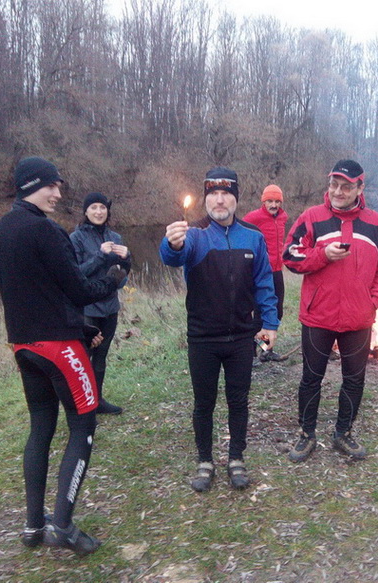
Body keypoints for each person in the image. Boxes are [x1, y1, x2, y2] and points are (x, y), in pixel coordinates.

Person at [0, 157, 126, 555]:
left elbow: (36, 293)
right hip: (59, 349)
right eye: (52, 186)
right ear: (32, 185)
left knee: (40, 429)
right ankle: (63, 526)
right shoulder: (45, 230)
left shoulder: (0, 230)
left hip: (23, 346)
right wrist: (116, 275)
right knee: (83, 427)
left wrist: (80, 327)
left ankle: (33, 525)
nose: (58, 193)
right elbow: (80, 291)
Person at [159, 167, 279, 492]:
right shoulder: (194, 235)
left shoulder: (252, 236)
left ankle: (236, 458)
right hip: (203, 338)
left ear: (236, 199)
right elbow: (172, 257)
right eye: (213, 194)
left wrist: (270, 323)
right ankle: (205, 461)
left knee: (239, 401)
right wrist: (171, 243)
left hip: (241, 337)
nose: (220, 200)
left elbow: (264, 282)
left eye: (226, 193)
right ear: (206, 199)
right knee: (204, 403)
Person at [283, 159, 378, 462]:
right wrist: (322, 254)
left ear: (360, 188)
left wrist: (373, 301)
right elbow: (290, 256)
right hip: (317, 316)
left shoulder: (376, 223)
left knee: (354, 379)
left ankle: (343, 432)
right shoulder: (312, 217)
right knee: (311, 378)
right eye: (334, 185)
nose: (337, 191)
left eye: (346, 187)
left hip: (358, 319)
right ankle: (306, 434)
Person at [70, 193, 132, 415]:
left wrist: (126, 259)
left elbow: (121, 276)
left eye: (103, 207)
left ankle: (97, 401)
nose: (99, 212)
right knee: (83, 357)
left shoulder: (115, 237)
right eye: (94, 207)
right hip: (87, 308)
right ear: (86, 211)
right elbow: (75, 274)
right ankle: (82, 406)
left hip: (110, 307)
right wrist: (100, 255)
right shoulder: (76, 238)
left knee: (101, 355)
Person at [243, 184, 289, 362]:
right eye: (270, 201)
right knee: (260, 313)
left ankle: (265, 349)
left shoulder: (283, 217)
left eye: (277, 201)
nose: (274, 205)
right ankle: (249, 353)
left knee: (277, 311)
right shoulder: (253, 217)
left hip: (277, 271)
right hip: (260, 272)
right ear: (263, 201)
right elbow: (240, 235)